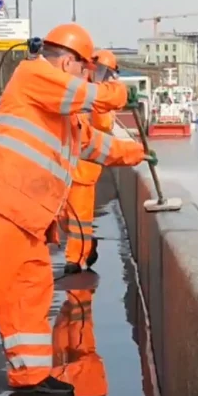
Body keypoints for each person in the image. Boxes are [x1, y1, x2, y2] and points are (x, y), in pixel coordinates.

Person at [0, 22, 157, 396]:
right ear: (69, 61)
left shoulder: (64, 116)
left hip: (28, 217)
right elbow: (90, 96)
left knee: (30, 295)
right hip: (0, 204)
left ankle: (31, 374)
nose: (86, 75)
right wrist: (120, 92)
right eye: (84, 68)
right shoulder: (34, 75)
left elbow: (97, 145)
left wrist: (137, 153)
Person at [10, 287, 119, 396]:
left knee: (65, 332)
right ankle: (79, 292)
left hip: (72, 388)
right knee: (78, 335)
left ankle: (77, 294)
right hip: (85, 389)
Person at [62, 49, 119, 275]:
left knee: (80, 218)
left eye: (104, 72)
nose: (99, 75)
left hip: (85, 167)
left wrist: (102, 99)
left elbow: (104, 126)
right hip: (64, 164)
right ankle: (85, 247)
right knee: (63, 216)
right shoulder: (80, 89)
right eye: (98, 70)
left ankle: (76, 259)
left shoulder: (100, 96)